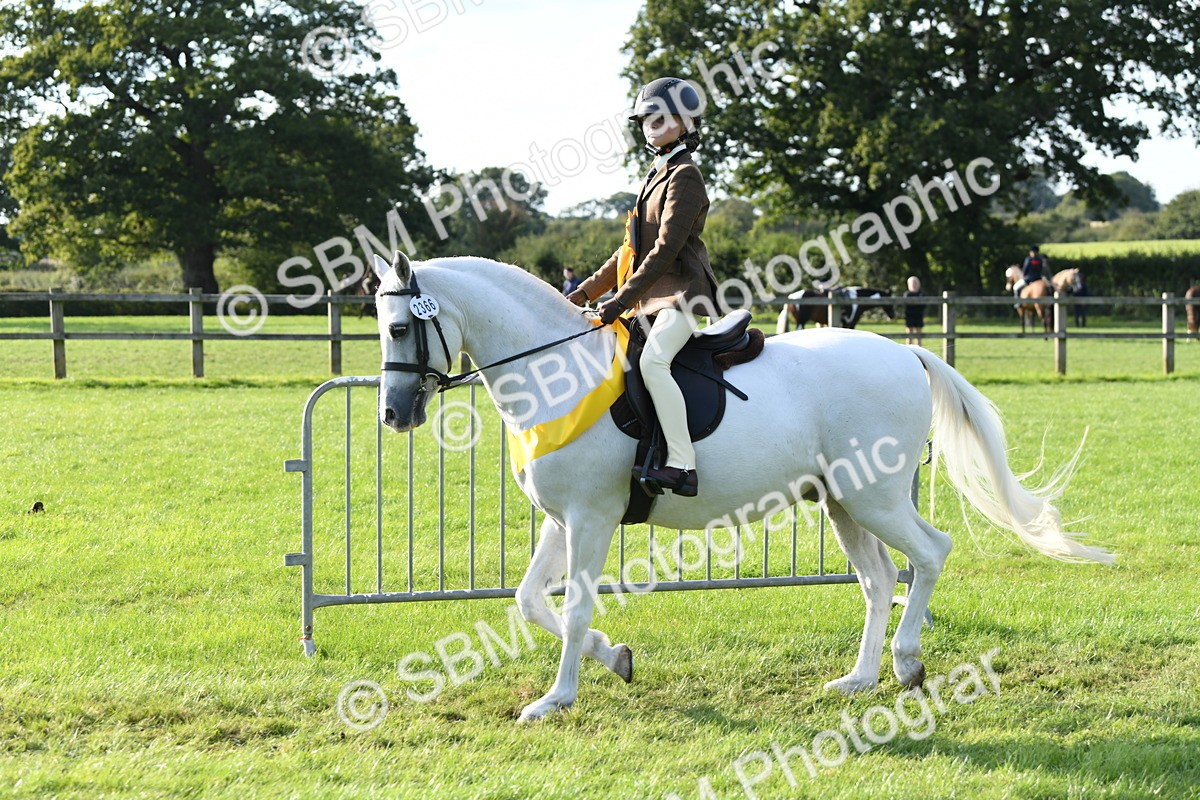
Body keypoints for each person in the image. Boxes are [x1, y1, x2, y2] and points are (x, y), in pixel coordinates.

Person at [567, 76, 719, 497]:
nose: (651, 122)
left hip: (682, 295)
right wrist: (581, 294)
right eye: (645, 116)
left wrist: (618, 302)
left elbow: (666, 251)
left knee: (653, 363)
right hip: (648, 299)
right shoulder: (656, 174)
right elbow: (628, 252)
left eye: (661, 115)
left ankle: (683, 465)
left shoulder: (685, 175)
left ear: (685, 122)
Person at [903, 276, 926, 346]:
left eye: (915, 283)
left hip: (919, 315)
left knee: (919, 334)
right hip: (909, 316)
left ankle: (919, 348)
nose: (914, 285)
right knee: (909, 333)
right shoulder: (907, 294)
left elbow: (924, 305)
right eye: (912, 283)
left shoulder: (922, 294)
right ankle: (908, 348)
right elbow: (907, 306)